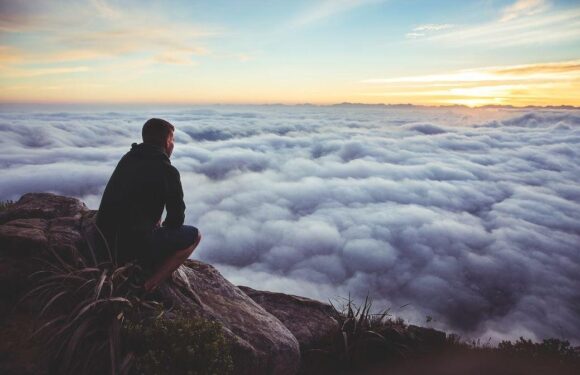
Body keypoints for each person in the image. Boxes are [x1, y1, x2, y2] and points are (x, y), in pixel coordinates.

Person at [96, 118, 201, 292]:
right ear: (167, 142)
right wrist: (158, 230)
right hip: (131, 248)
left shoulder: (128, 158)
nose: (173, 145)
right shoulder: (167, 171)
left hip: (103, 242)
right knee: (195, 236)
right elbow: (176, 220)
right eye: (172, 140)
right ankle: (147, 286)